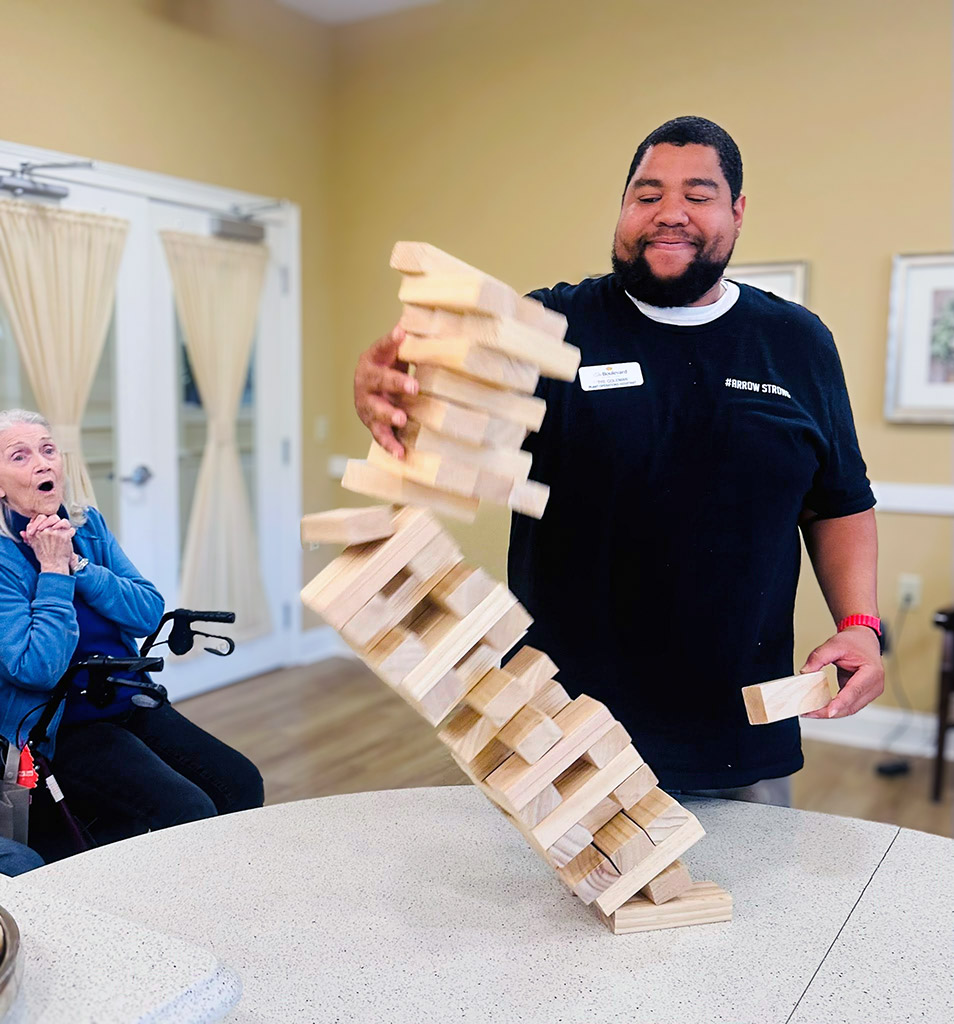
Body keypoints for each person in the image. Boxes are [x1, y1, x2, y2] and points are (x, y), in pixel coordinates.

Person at [352, 116, 884, 807]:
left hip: (735, 727)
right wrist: (387, 393)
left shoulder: (796, 342)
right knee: (538, 911)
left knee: (751, 906)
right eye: (646, 193)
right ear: (623, 208)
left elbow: (838, 499)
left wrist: (861, 626)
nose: (669, 214)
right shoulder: (545, 329)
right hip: (561, 726)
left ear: (737, 211)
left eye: (698, 194)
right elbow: (430, 423)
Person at [0, 408, 264, 861]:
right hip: (64, 726)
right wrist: (52, 571)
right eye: (20, 456)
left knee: (240, 783)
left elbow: (146, 611)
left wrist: (77, 565)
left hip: (127, 696)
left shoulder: (87, 527)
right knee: (189, 811)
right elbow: (36, 668)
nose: (43, 463)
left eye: (47, 449)